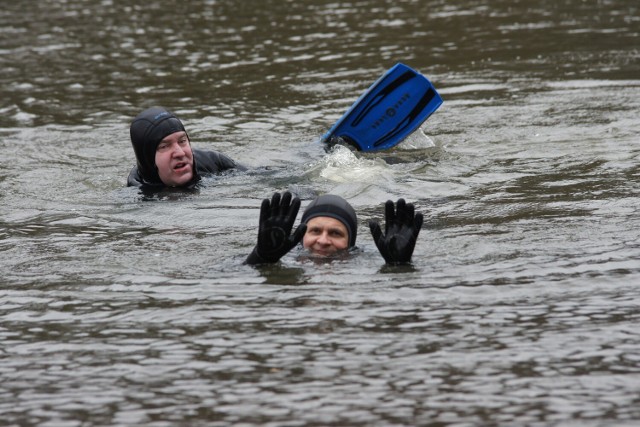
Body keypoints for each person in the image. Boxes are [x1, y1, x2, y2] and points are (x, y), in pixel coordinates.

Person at [245, 191, 423, 265]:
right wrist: (261, 258)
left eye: (335, 233)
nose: (323, 241)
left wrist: (399, 265)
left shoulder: (365, 262)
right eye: (315, 231)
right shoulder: (284, 257)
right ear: (301, 236)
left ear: (351, 241)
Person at [127, 106, 243, 189]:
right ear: (147, 159)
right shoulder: (136, 199)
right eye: (164, 146)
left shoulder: (215, 163)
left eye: (182, 141)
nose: (180, 153)